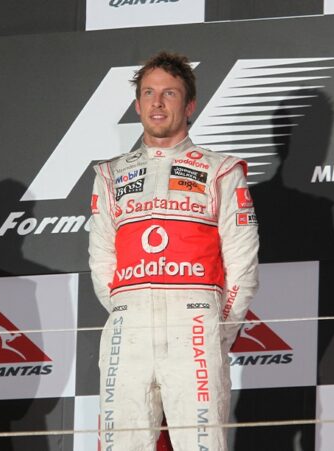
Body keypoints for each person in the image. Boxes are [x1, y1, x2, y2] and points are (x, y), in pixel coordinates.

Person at [88, 51, 259, 450]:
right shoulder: (110, 174)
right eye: (148, 92)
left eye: (169, 93)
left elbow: (242, 264)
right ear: (137, 104)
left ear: (189, 105)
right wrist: (124, 310)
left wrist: (214, 330)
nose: (157, 102)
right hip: (127, 331)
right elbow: (101, 262)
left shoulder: (222, 170)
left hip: (196, 329)